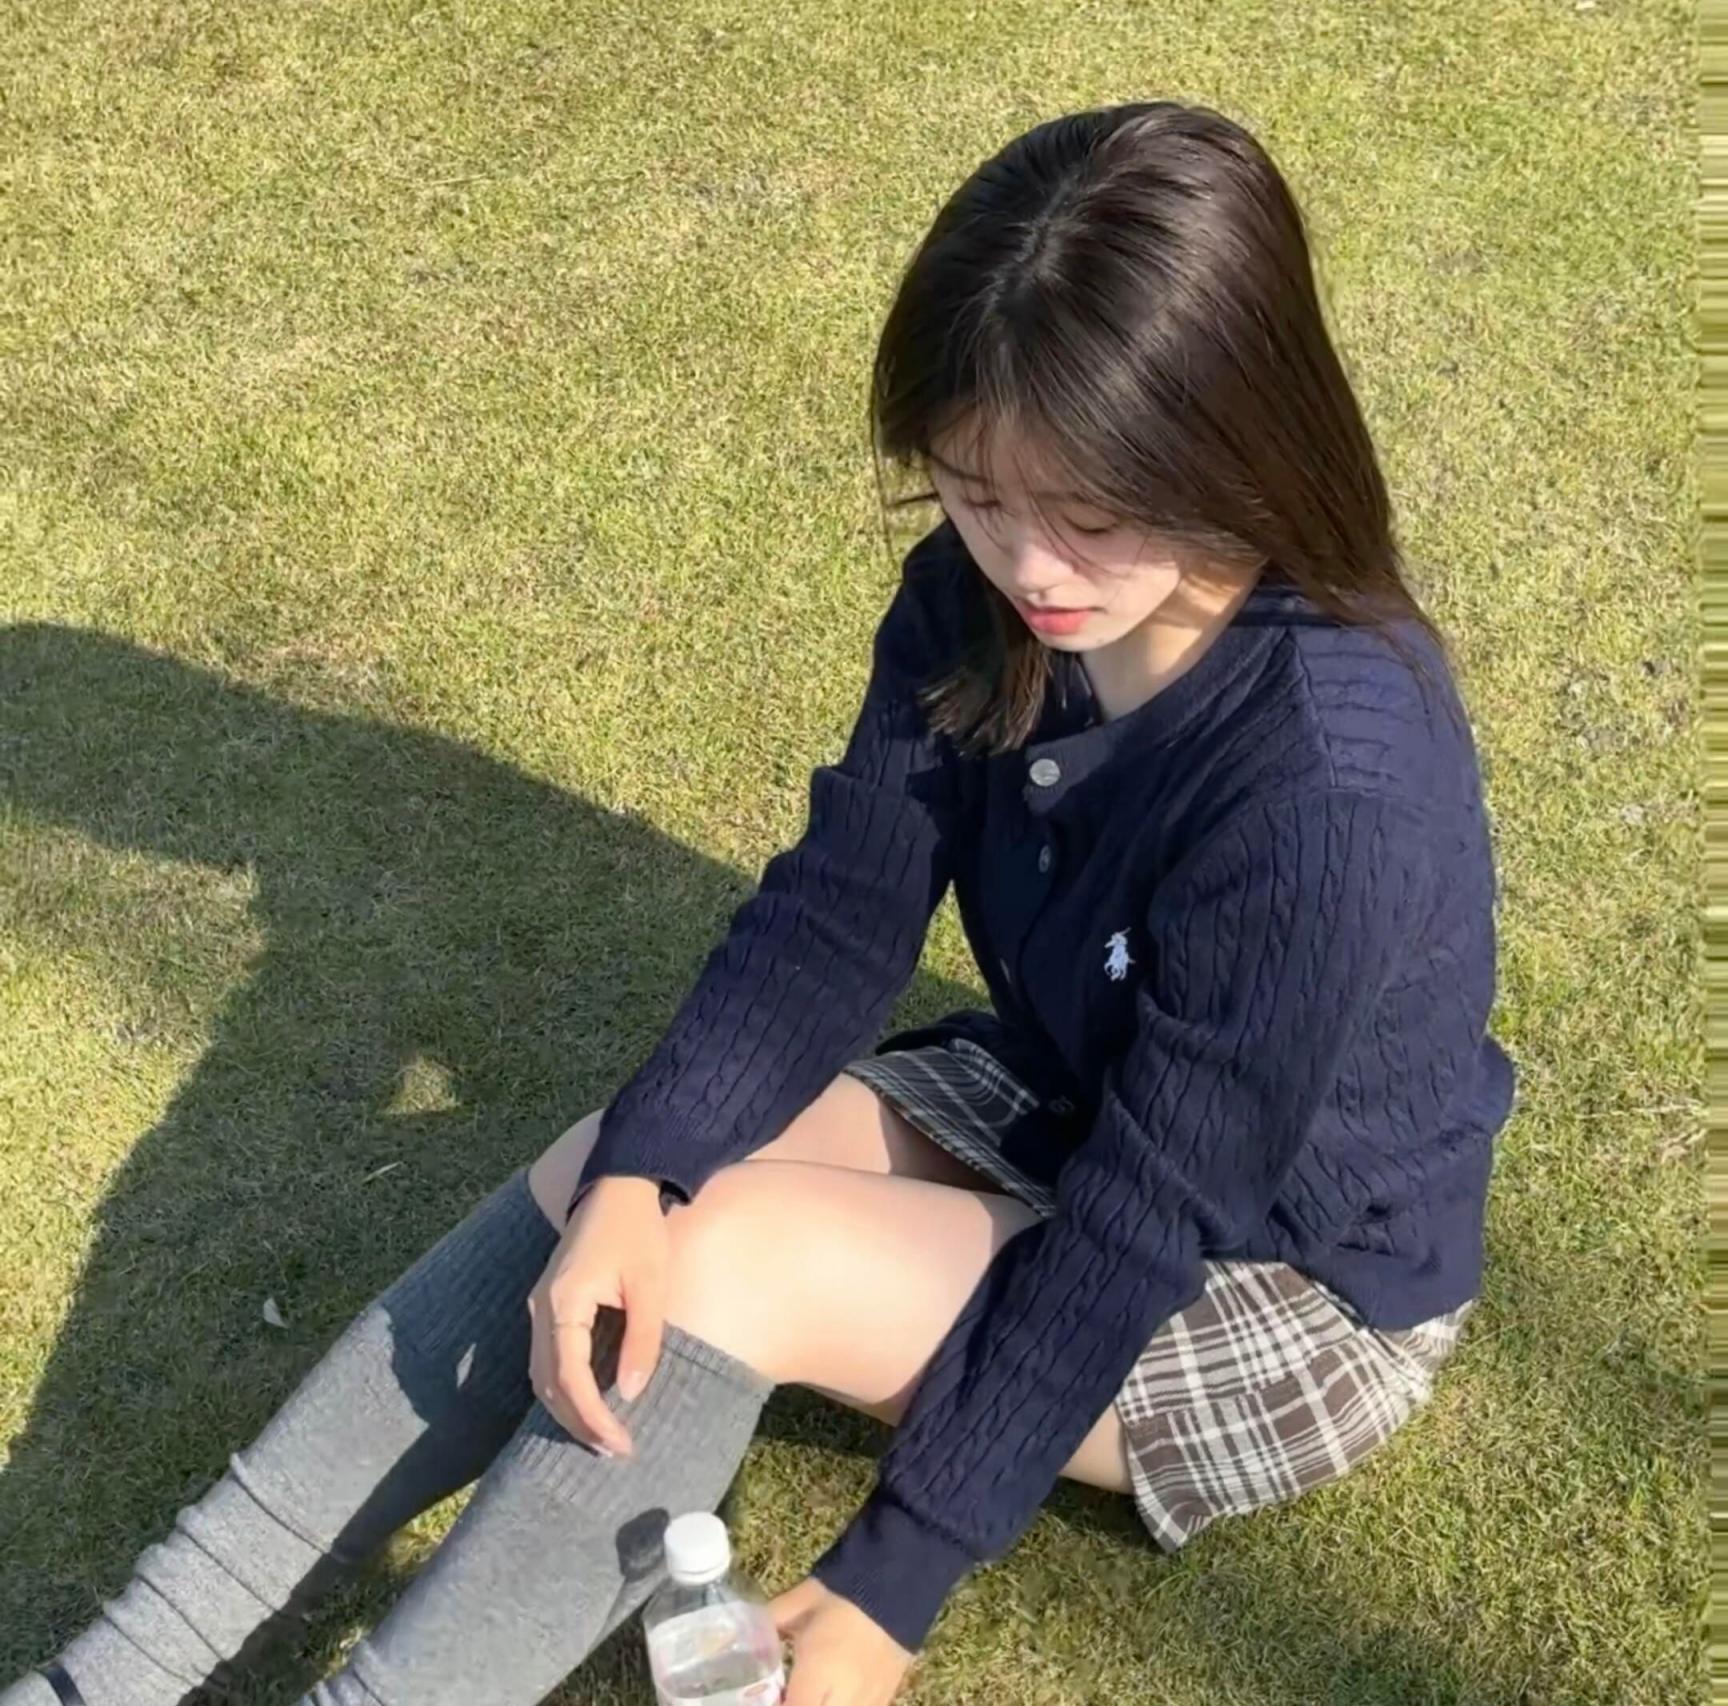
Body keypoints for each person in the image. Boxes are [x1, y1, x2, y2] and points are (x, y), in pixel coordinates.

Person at [3, 98, 1516, 1706]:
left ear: (1237, 441)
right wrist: (640, 1166)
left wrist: (892, 1577)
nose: (1030, 564)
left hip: (1286, 1269)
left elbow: (1151, 1209)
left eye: (1090, 511)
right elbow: (836, 918)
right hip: (1069, 1092)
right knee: (618, 1174)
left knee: (735, 1257)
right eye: (977, 490)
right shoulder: (985, 600)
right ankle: (111, 1678)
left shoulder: (1328, 791)